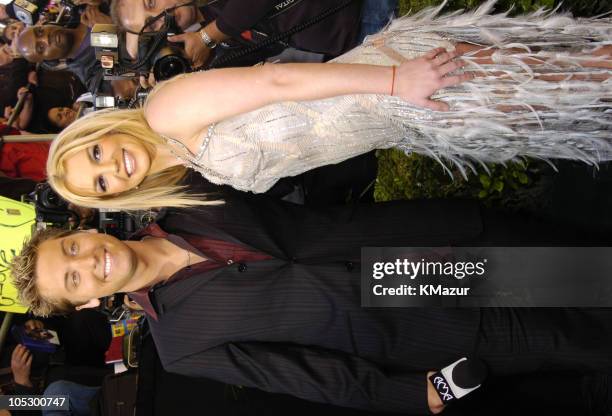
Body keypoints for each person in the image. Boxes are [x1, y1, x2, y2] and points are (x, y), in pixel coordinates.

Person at [9, 192, 612, 414]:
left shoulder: (185, 198)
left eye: (74, 248)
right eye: (75, 280)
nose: (88, 263)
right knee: (587, 343)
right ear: (86, 304)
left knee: (595, 273)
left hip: (425, 250)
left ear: (82, 230)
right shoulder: (181, 344)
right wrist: (408, 394)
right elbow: (303, 377)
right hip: (424, 329)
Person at [47, 2, 612, 210]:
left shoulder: (166, 111)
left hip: (404, 82)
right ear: (113, 198)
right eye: (98, 182)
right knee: (568, 87)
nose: (110, 165)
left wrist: (397, 78)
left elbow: (280, 84)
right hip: (406, 115)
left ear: (100, 128)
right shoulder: (182, 161)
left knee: (575, 77)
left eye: (94, 151)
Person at [111, 0, 363, 69]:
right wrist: (180, 70)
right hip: (360, 42)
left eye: (151, 3)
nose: (161, 18)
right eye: (151, 26)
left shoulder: (212, 33)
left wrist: (209, 37)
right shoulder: (208, 34)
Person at [15, 22, 110, 93]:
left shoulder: (83, 11)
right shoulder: (91, 74)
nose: (46, 38)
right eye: (41, 48)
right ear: (49, 61)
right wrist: (108, 29)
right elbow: (121, 89)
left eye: (40, 31)